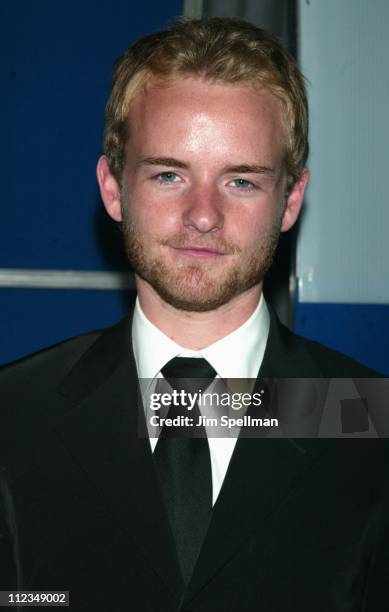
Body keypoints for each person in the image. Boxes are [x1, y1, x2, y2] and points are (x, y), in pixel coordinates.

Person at [0, 17, 388, 612]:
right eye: (169, 174)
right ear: (113, 189)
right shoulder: (14, 416)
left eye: (240, 181)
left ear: (290, 201)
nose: (202, 214)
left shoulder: (371, 424)